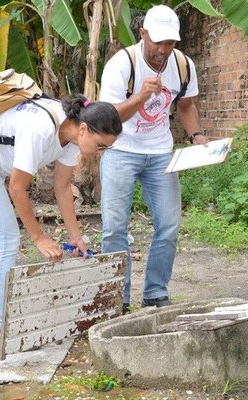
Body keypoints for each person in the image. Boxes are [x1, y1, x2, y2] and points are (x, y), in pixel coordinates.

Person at [0, 94, 122, 348]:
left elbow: (62, 188)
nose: (100, 153)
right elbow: (18, 188)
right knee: (7, 240)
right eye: (100, 146)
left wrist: (76, 237)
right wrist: (39, 237)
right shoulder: (41, 130)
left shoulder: (73, 135)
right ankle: (0, 327)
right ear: (85, 129)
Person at [98, 4, 208, 313]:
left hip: (160, 153)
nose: (163, 49)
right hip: (121, 150)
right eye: (157, 41)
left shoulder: (183, 65)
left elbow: (186, 105)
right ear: (142, 33)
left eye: (170, 43)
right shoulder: (123, 64)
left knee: (169, 225)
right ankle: (117, 297)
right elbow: (108, 116)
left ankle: (156, 292)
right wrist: (140, 97)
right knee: (114, 227)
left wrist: (196, 136)